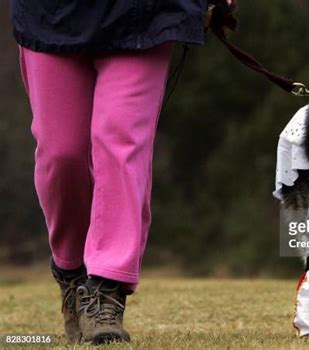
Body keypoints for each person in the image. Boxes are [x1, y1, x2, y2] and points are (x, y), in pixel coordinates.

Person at [9, 0, 232, 345]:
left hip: (145, 13)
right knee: (61, 153)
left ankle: (105, 291)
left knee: (121, 142)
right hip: (50, 13)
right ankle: (71, 272)